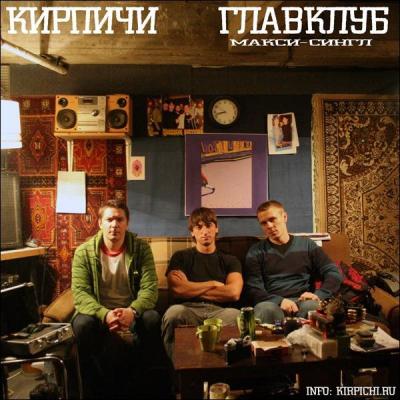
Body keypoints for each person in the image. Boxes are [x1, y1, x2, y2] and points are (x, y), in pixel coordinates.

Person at [71, 199, 169, 398]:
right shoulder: (83, 252)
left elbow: (150, 289)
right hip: (99, 313)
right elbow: (80, 293)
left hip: (131, 311)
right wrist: (105, 314)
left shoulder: (141, 249)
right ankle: (91, 390)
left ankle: (149, 388)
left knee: (152, 319)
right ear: (100, 223)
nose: (114, 224)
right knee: (81, 325)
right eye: (109, 219)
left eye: (119, 219)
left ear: (127, 223)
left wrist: (132, 311)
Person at [161, 207, 243, 359]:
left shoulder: (230, 260)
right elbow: (178, 290)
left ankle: (225, 367)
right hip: (188, 309)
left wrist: (190, 288)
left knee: (237, 315)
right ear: (192, 232)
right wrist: (213, 283)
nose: (205, 231)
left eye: (209, 225)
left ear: (216, 228)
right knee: (174, 313)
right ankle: (178, 369)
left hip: (220, 311)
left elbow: (233, 293)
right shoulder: (180, 257)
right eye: (199, 227)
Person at [244, 200, 342, 324]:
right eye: (264, 223)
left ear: (284, 217)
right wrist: (279, 301)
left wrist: (319, 294)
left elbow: (333, 273)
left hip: (304, 300)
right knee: (265, 309)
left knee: (312, 306)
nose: (269, 226)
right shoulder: (256, 251)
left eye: (272, 219)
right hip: (272, 302)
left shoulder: (307, 245)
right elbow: (254, 289)